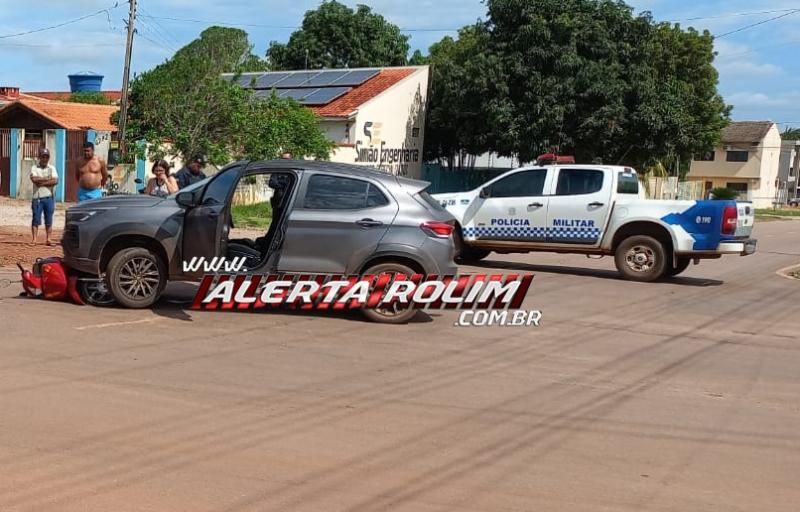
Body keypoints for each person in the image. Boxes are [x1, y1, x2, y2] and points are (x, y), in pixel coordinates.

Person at [30, 147, 58, 245]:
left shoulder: (52, 168)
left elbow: (55, 181)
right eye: (43, 156)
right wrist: (47, 179)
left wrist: (41, 181)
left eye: (46, 157)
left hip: (49, 196)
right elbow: (34, 179)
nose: (45, 159)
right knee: (36, 218)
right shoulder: (34, 167)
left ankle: (48, 239)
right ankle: (34, 239)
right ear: (40, 157)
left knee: (49, 218)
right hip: (37, 197)